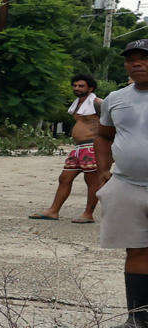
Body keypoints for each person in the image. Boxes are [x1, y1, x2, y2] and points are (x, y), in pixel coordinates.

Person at [96, 44, 148, 328]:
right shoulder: (115, 99)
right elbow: (103, 136)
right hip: (128, 185)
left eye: (144, 59)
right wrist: (104, 169)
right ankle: (138, 319)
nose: (136, 64)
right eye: (131, 60)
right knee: (137, 250)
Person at [33, 74, 105, 222]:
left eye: (81, 86)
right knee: (64, 178)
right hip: (78, 148)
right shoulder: (77, 103)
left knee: (92, 181)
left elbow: (111, 123)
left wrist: (106, 148)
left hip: (92, 146)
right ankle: (53, 211)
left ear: (90, 88)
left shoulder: (98, 103)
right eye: (75, 85)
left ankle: (88, 214)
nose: (77, 88)